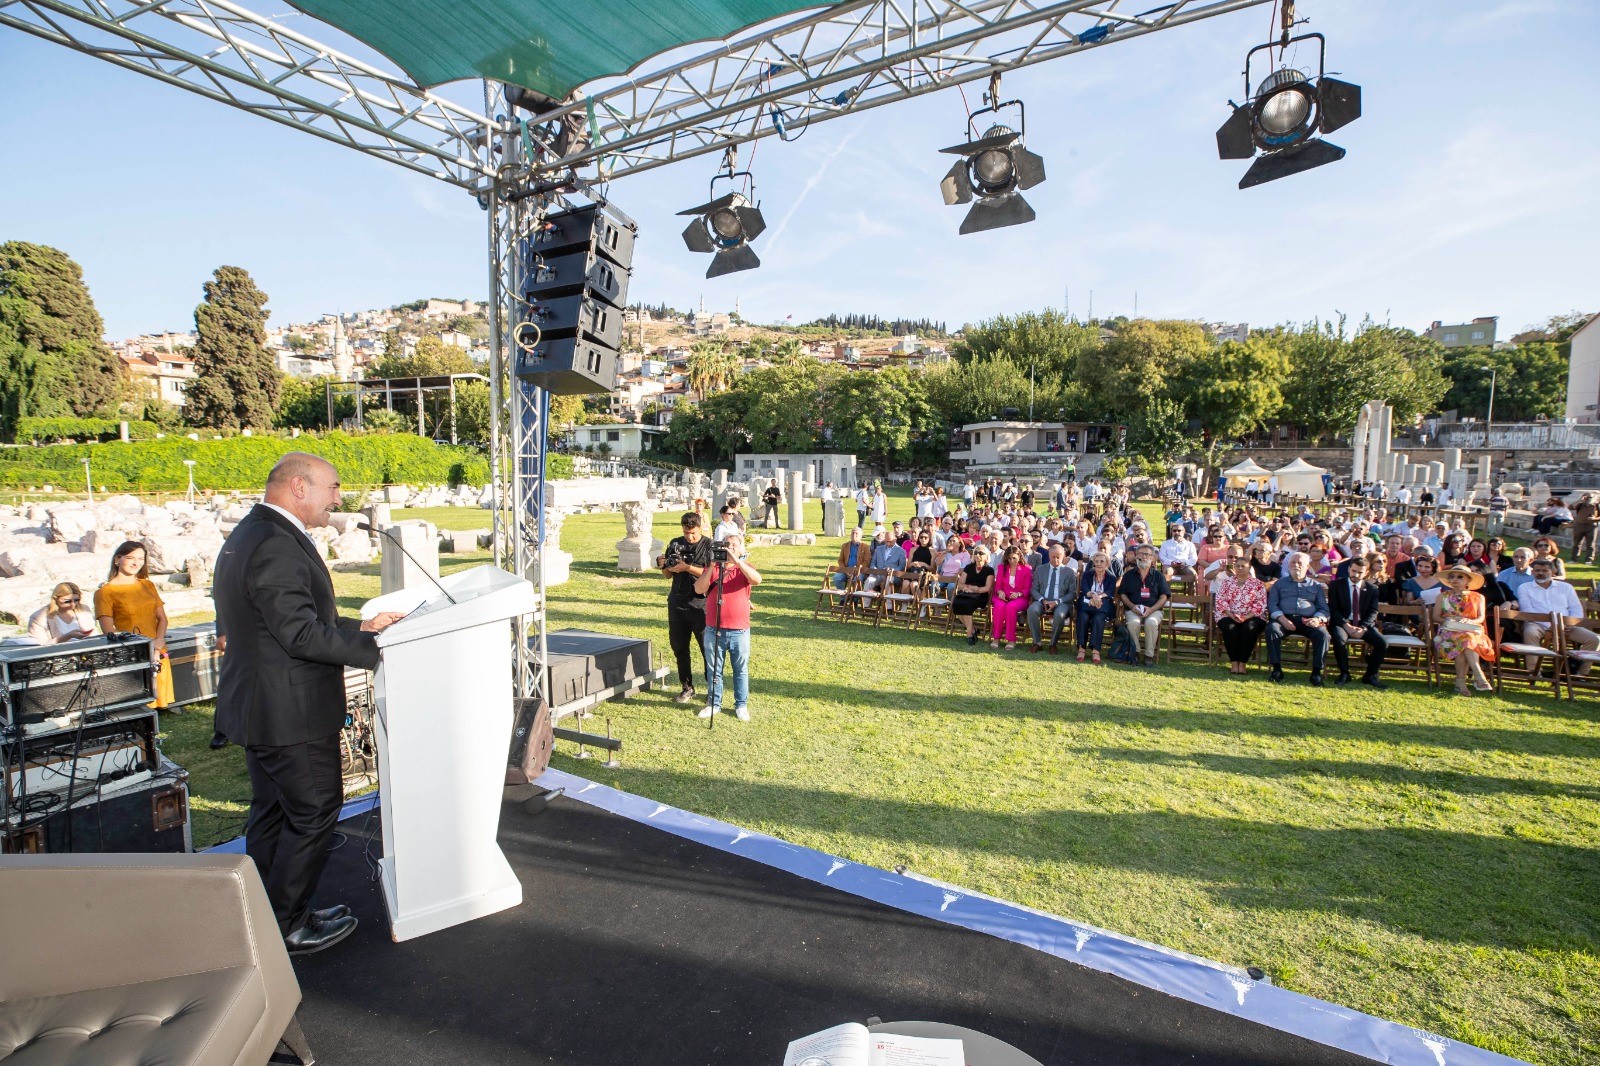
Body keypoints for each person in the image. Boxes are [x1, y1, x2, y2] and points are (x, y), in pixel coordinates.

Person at [213, 453, 405, 955]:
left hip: (261, 707)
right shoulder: (275, 544)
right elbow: (298, 634)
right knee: (316, 808)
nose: (338, 499)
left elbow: (280, 622)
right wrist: (378, 649)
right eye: (334, 487)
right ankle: (286, 924)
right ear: (299, 486)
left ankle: (262, 912)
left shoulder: (249, 535)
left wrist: (354, 629)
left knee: (274, 812)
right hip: (288, 713)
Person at [95, 542, 176, 710]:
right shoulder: (105, 592)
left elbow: (162, 618)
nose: (136, 563)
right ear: (117, 559)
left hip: (157, 648)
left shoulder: (147, 585)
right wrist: (145, 646)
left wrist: (158, 642)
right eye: (130, 558)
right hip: (133, 652)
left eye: (141, 558)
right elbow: (109, 631)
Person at [693, 532, 762, 721]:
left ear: (740, 549)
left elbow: (757, 580)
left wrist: (737, 561)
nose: (729, 548)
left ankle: (741, 705)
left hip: (739, 630)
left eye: (733, 545)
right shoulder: (714, 568)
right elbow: (699, 589)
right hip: (714, 629)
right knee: (714, 668)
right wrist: (714, 565)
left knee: (740, 669)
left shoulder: (745, 568)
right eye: (726, 544)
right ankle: (714, 704)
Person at [657, 512, 715, 704]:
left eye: (693, 533)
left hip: (701, 606)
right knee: (679, 648)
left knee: (707, 650)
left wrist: (687, 567)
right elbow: (667, 575)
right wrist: (664, 565)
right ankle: (687, 687)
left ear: (700, 528)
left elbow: (711, 574)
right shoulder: (675, 543)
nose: (689, 536)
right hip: (676, 604)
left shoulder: (709, 545)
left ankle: (713, 691)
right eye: (686, 532)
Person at [1513, 558, 1598, 676]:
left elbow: (1576, 609)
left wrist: (1569, 624)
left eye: (1544, 570)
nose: (1541, 573)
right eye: (1537, 570)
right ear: (1532, 572)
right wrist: (1552, 626)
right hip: (1537, 624)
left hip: (1566, 625)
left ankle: (1580, 673)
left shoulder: (1566, 587)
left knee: (1593, 639)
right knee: (1530, 632)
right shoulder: (1524, 588)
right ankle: (1534, 671)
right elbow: (1528, 611)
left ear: (1553, 572)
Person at [1265, 552, 1330, 685]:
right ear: (1288, 565)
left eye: (1299, 563)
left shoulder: (1316, 586)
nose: (1296, 565)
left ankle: (1316, 673)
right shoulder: (1279, 584)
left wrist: (1317, 619)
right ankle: (1277, 670)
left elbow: (1324, 608)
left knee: (1323, 634)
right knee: (1272, 629)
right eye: (1293, 562)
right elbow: (1272, 604)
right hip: (1284, 619)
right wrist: (1282, 619)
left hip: (1309, 621)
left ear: (1307, 566)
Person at [1433, 565, 1496, 695]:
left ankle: (1461, 684)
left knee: (1466, 640)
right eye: (1452, 576)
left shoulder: (1478, 597)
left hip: (1471, 631)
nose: (1455, 579)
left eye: (1460, 577)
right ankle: (1478, 676)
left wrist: (1470, 621)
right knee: (1465, 642)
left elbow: (1481, 617)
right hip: (1449, 632)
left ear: (1468, 580)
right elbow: (1435, 617)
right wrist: (1450, 621)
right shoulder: (1442, 596)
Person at [1328, 555, 1388, 688]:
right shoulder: (1336, 585)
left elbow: (1373, 611)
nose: (1355, 574)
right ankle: (1344, 673)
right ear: (1349, 569)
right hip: (1341, 622)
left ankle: (1370, 675)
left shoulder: (1372, 589)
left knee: (1382, 643)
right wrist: (1345, 624)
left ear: (1366, 572)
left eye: (1360, 572)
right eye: (1353, 571)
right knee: (1339, 639)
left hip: (1363, 624)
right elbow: (1333, 608)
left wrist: (1364, 628)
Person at [1118, 545, 1168, 668]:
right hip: (1133, 609)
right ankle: (1135, 652)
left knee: (1151, 623)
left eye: (1147, 554)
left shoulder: (1159, 576)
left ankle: (1148, 656)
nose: (1144, 557)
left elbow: (1164, 597)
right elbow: (1123, 594)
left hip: (1153, 609)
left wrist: (1151, 609)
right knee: (1133, 623)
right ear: (1136, 556)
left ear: (1152, 558)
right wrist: (1132, 606)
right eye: (1141, 554)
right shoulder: (1129, 575)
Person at [1026, 544, 1078, 654]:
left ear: (1063, 556)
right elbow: (1034, 590)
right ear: (1049, 556)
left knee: (1060, 615)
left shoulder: (1069, 572)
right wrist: (1043, 600)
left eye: (1058, 557)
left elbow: (1072, 594)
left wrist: (1056, 602)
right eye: (1053, 557)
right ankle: (1037, 643)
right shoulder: (1040, 570)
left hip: (1061, 602)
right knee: (1031, 610)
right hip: (1042, 600)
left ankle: (1053, 644)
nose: (1055, 560)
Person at [1076, 552, 1118, 664]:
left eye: (1102, 561)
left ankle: (1096, 650)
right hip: (1087, 603)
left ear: (1107, 564)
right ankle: (1081, 648)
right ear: (1093, 563)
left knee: (1098, 619)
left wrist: (1098, 597)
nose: (1099, 564)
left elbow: (1109, 592)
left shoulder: (1111, 577)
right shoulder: (1087, 575)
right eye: (1096, 561)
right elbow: (1084, 589)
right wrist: (1093, 596)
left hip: (1102, 606)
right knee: (1082, 616)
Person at [951, 546, 996, 646]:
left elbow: (988, 587)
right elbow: (960, 584)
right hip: (967, 593)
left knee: (966, 605)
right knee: (956, 603)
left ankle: (969, 634)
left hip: (980, 596)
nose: (977, 555)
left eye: (980, 553)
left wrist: (977, 589)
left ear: (986, 556)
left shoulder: (989, 570)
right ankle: (972, 629)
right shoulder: (968, 567)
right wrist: (968, 587)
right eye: (976, 553)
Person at [29, 581, 94, 644]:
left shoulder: (84, 610)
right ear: (55, 599)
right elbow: (41, 645)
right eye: (67, 601)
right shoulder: (39, 617)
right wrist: (67, 636)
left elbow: (94, 635)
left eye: (77, 600)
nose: (73, 604)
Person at [1574, 493, 1598, 563]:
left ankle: (1589, 560)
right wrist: (1580, 499)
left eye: (1590, 497)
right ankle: (1574, 559)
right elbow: (1570, 507)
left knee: (1590, 544)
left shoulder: (1596, 506)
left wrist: (1595, 518)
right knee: (1576, 543)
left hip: (1591, 526)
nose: (1588, 499)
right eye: (1587, 497)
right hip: (1579, 525)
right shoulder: (1580, 505)